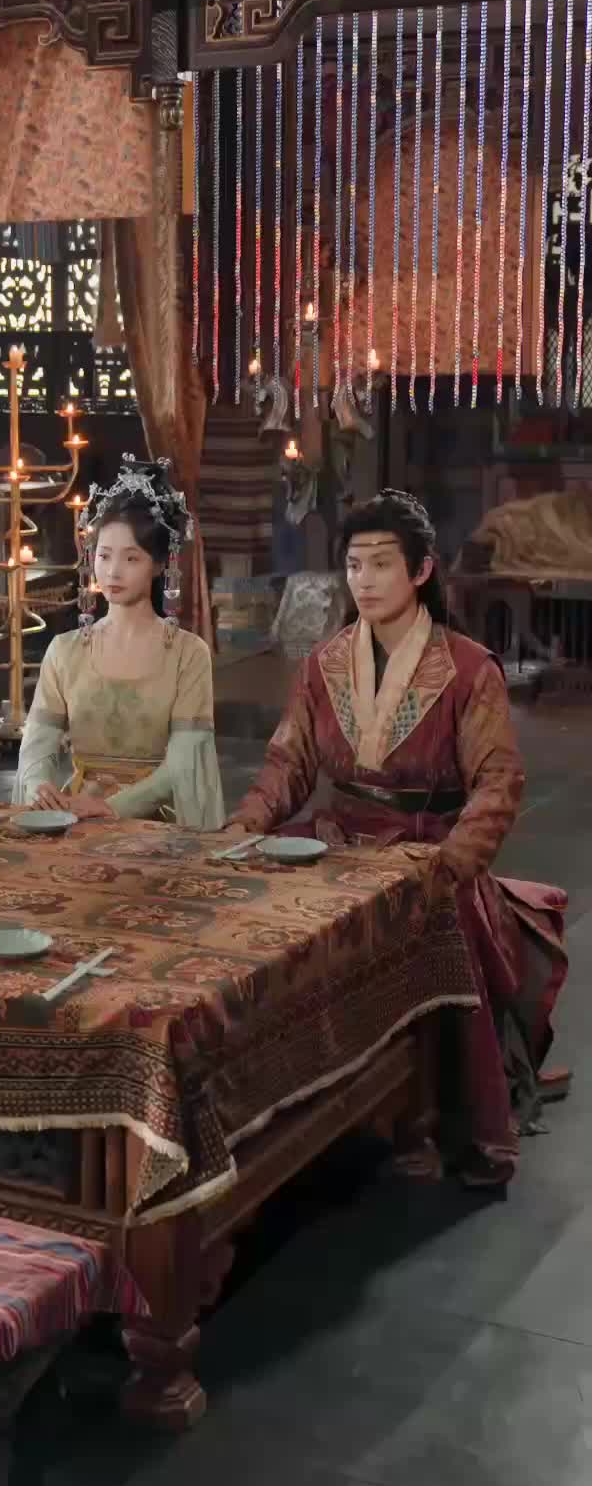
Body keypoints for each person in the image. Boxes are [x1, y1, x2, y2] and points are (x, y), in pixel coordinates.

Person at [224, 488, 568, 1188]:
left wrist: (454, 861)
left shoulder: (468, 669)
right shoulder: (324, 663)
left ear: (421, 571)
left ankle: (442, 1119)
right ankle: (281, 1106)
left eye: (382, 564)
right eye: (354, 565)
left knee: (438, 928)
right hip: (336, 838)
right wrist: (244, 825)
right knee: (257, 921)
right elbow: (289, 763)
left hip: (427, 847)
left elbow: (498, 781)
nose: (365, 580)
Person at [14, 456, 223, 828]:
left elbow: (184, 762)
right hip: (75, 813)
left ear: (159, 564)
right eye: (104, 555)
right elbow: (37, 746)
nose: (112, 571)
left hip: (155, 821)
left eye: (131, 558)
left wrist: (113, 807)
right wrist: (38, 787)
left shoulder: (188, 654)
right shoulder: (65, 650)